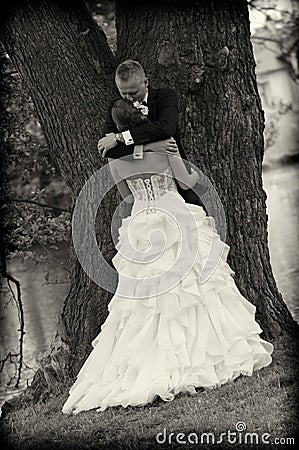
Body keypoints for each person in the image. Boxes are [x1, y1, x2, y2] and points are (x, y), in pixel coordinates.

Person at [61, 98, 274, 415]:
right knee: (197, 288)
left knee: (146, 301)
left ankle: (151, 362)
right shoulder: (164, 152)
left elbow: (127, 198)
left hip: (142, 225)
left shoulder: (116, 165)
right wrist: (181, 165)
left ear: (120, 130)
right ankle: (202, 354)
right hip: (175, 215)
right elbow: (188, 183)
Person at [97, 59, 208, 207]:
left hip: (180, 191)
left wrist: (120, 137)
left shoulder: (165, 97)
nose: (129, 98)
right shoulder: (116, 107)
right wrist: (149, 147)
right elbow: (108, 149)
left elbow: (166, 128)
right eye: (123, 93)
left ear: (146, 83)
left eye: (133, 92)